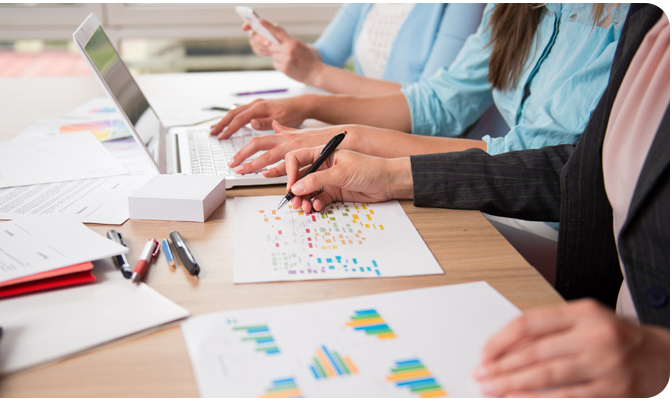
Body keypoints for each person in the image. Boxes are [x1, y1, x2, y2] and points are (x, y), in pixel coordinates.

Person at [279, 4, 669, 397]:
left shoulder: (636, 20)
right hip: (509, 204)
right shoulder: (518, 10)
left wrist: (375, 154)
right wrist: (381, 165)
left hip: (566, 233)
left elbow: (556, 164)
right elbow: (450, 102)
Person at [214, 4, 630, 177]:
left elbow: (541, 160)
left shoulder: (630, 16)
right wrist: (307, 104)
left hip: (559, 222)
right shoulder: (513, 7)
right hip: (493, 182)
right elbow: (440, 98)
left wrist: (360, 140)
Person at [244, 4, 486, 96]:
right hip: (376, 133)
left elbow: (434, 102)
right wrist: (286, 47)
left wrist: (314, 72)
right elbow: (326, 57)